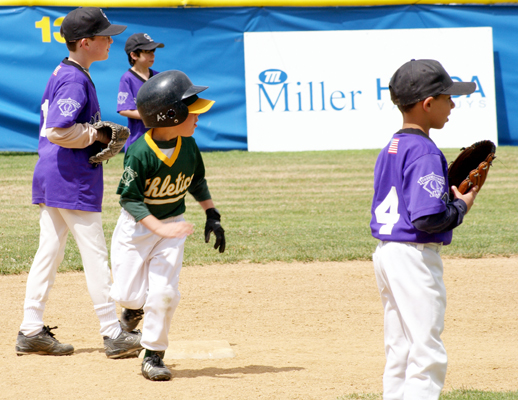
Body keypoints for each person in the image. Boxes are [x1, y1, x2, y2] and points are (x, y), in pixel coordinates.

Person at [15, 7, 143, 359]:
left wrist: (91, 133)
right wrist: (97, 134)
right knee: (95, 254)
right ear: (85, 42)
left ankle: (30, 329)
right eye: (104, 36)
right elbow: (58, 130)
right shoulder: (74, 79)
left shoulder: (68, 71)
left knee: (49, 252)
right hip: (70, 177)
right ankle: (113, 333)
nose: (111, 41)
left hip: (53, 173)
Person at [370, 59, 478, 400]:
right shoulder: (425, 151)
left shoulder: (393, 146)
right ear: (428, 104)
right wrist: (462, 205)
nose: (453, 105)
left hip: (388, 253)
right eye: (448, 97)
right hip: (413, 257)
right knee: (426, 350)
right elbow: (428, 219)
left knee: (400, 347)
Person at [109, 70, 226, 381]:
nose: (197, 118)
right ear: (170, 116)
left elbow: (196, 181)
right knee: (128, 294)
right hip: (136, 229)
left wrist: (212, 214)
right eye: (192, 112)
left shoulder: (189, 146)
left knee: (164, 293)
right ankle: (134, 309)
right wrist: (157, 228)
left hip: (172, 227)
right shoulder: (139, 153)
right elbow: (130, 200)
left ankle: (153, 354)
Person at [117, 33, 164, 151]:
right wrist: (153, 116)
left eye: (153, 51)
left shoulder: (159, 77)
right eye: (147, 52)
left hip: (160, 138)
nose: (153, 55)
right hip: (138, 140)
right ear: (133, 55)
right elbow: (124, 110)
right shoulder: (127, 78)